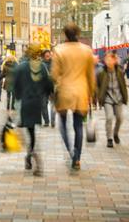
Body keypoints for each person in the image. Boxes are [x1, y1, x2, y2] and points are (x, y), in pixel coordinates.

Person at [51, 23, 95, 170]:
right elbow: (91, 76)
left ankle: (70, 150)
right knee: (78, 126)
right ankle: (77, 157)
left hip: (64, 92)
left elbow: (54, 74)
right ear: (78, 33)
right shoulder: (87, 51)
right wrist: (92, 93)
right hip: (81, 92)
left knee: (62, 124)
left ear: (65, 34)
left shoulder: (58, 50)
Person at [13, 43, 53, 176]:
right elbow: (49, 85)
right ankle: (30, 156)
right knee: (32, 132)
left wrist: (15, 103)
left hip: (24, 104)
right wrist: (46, 94)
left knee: (27, 133)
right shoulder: (41, 67)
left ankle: (32, 156)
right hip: (36, 104)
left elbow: (15, 88)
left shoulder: (20, 67)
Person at [97, 52, 128, 148]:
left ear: (115, 61)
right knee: (109, 117)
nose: (108, 62)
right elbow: (97, 85)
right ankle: (109, 138)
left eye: (111, 59)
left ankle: (115, 133)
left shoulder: (120, 71)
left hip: (118, 98)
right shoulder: (101, 72)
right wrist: (98, 96)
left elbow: (123, 85)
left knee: (119, 118)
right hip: (107, 98)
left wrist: (125, 97)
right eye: (107, 60)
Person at [40, 49, 56, 127]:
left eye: (49, 55)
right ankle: (46, 121)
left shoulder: (54, 63)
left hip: (53, 86)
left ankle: (53, 120)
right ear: (43, 56)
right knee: (43, 104)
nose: (48, 56)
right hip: (44, 87)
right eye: (46, 55)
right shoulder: (41, 64)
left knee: (53, 104)